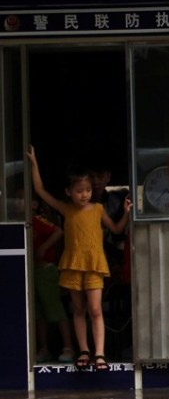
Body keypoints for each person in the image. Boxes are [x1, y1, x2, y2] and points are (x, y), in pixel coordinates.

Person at [25, 146, 132, 372]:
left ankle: (99, 353)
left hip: (93, 265)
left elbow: (115, 229)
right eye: (79, 191)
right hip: (73, 264)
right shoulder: (65, 209)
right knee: (78, 309)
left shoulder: (98, 209)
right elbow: (40, 190)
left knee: (95, 309)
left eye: (87, 190)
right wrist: (34, 164)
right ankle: (84, 351)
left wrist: (126, 213)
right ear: (68, 192)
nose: (84, 194)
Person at [27, 189, 75, 363]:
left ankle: (68, 346)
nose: (16, 204)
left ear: (34, 204)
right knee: (38, 313)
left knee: (55, 309)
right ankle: (44, 348)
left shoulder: (36, 221)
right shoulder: (25, 222)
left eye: (20, 199)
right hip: (32, 271)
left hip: (46, 271)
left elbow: (58, 231)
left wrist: (43, 248)